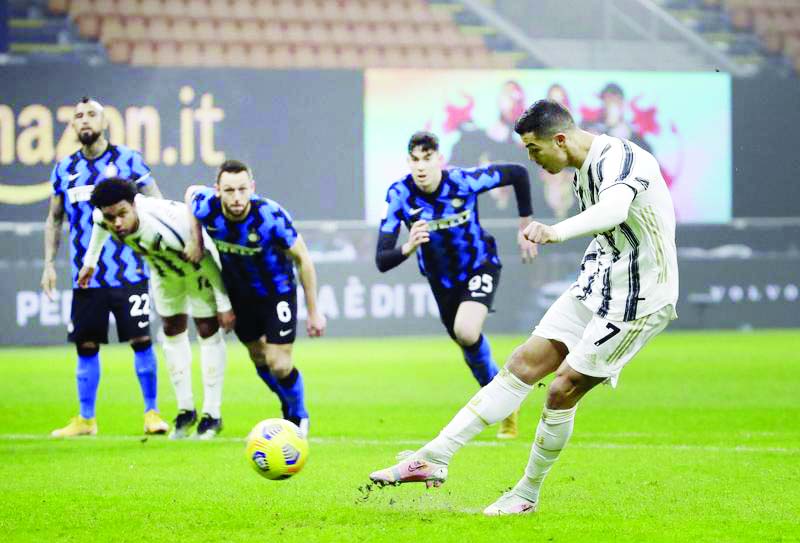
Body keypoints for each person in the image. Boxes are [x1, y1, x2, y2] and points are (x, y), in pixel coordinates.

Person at [369, 99, 679, 516]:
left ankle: (526, 495)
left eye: (534, 150)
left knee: (561, 388)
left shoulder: (621, 158)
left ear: (561, 139)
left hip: (640, 298)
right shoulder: (580, 173)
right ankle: (434, 457)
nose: (532, 160)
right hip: (600, 282)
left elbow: (614, 211)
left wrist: (555, 230)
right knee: (521, 364)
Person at [375, 131, 537, 440]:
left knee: (466, 330)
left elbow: (518, 173)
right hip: (442, 282)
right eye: (414, 159)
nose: (421, 166)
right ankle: (504, 402)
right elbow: (382, 259)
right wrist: (407, 247)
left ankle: (503, 401)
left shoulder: (463, 181)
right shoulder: (398, 195)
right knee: (466, 343)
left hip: (480, 263)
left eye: (427, 158)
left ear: (439, 159)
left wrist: (524, 223)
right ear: (408, 162)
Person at [43, 97, 169, 437]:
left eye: (91, 115)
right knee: (85, 344)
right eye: (78, 116)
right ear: (72, 126)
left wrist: (158, 249)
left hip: (131, 270)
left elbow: (156, 203)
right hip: (86, 276)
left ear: (104, 122)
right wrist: (48, 265)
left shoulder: (128, 160)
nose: (84, 120)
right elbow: (54, 220)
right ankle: (86, 419)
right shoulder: (64, 170)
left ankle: (152, 413)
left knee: (141, 339)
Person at [80, 178, 233, 439]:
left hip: (199, 269)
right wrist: (91, 262)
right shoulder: (103, 215)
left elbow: (207, 257)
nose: (116, 223)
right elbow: (98, 224)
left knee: (207, 330)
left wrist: (224, 304)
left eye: (122, 214)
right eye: (111, 217)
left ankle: (212, 415)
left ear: (135, 205)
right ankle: (186, 410)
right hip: (164, 273)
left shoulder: (169, 222)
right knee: (171, 330)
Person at [184, 160, 326, 437]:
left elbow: (303, 259)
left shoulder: (270, 216)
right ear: (217, 191)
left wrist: (313, 311)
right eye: (228, 190)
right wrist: (196, 239)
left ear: (252, 188)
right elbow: (190, 194)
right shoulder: (207, 207)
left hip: (277, 291)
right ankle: (287, 404)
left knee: (279, 363)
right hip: (239, 295)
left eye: (242, 189)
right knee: (258, 357)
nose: (236, 197)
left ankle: (299, 414)